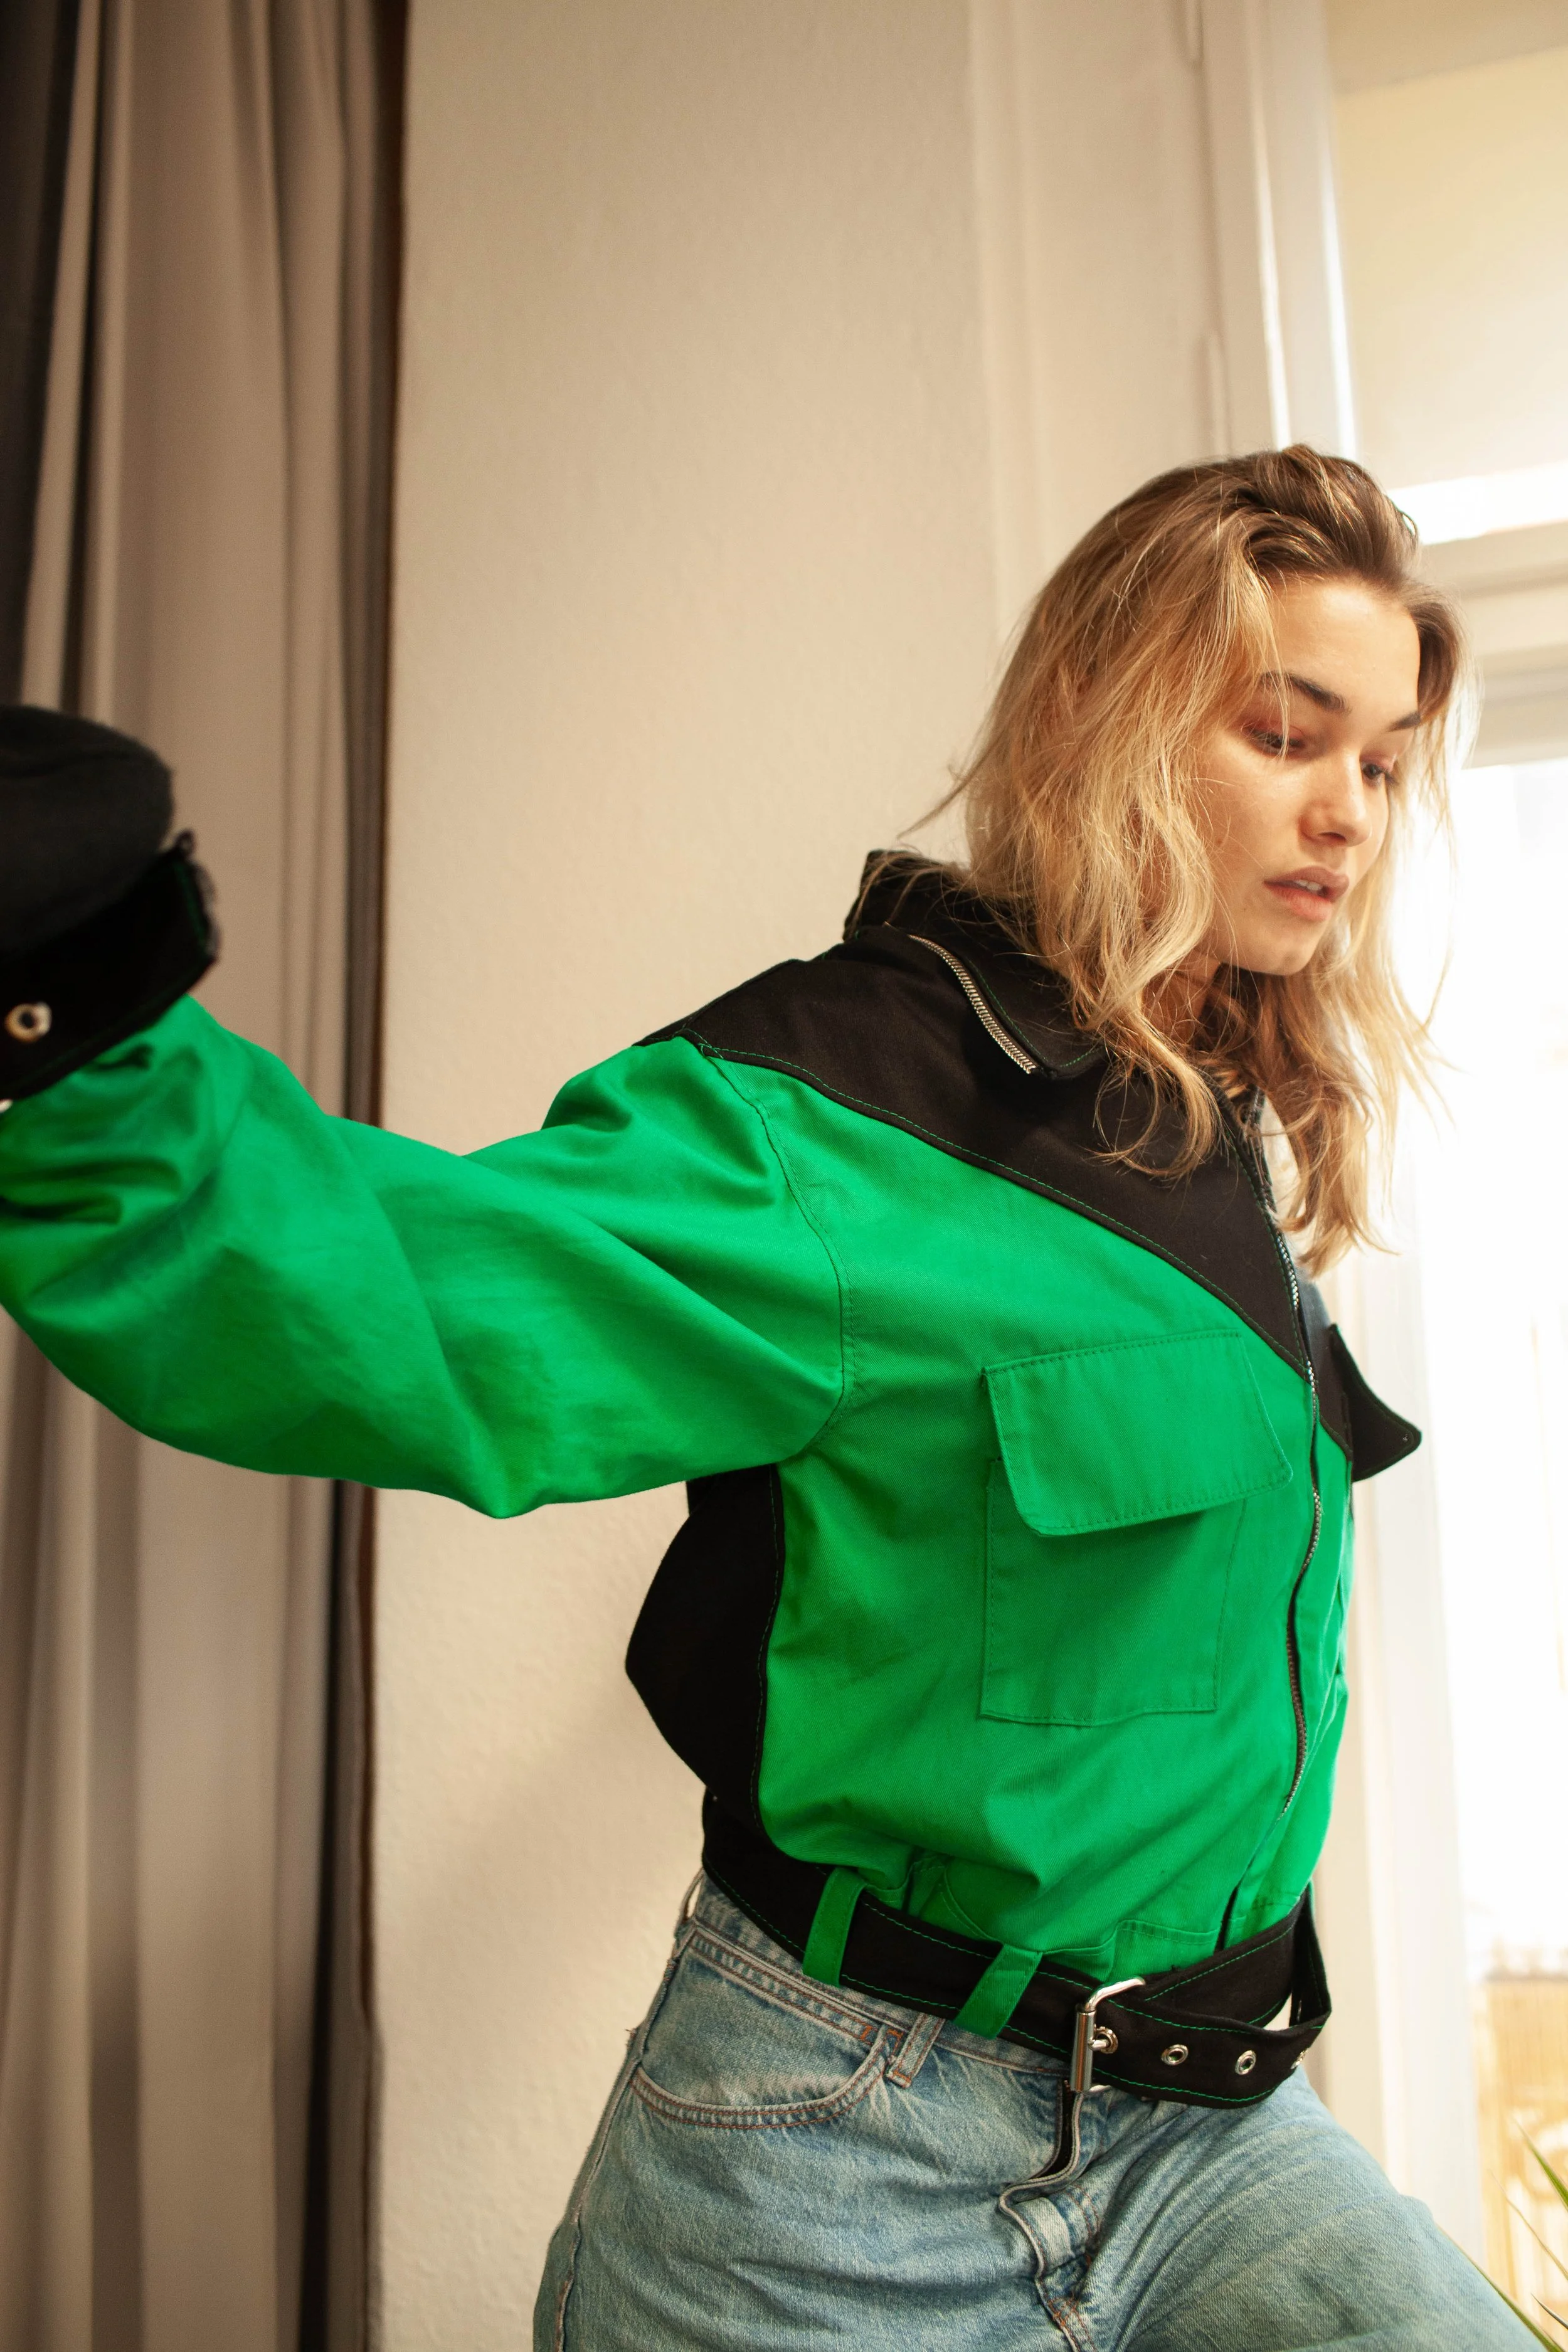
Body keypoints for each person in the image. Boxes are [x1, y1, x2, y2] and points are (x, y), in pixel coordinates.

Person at [0, 447, 1528, 2350]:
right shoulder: (838, 1109)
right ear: (1108, 722)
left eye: (1378, 761)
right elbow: (403, 1296)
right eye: (1287, 734)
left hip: (1205, 2133)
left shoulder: (1199, 1131)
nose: (1350, 813)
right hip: (837, 2157)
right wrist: (69, 1006)